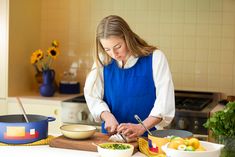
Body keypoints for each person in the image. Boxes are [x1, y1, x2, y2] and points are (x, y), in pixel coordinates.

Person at [84, 15, 175, 139]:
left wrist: (141, 127)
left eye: (118, 47)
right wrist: (107, 116)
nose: (113, 54)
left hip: (149, 138)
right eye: (107, 49)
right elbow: (92, 96)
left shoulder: (155, 58)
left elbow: (164, 103)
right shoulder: (102, 60)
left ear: (128, 37)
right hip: (112, 139)